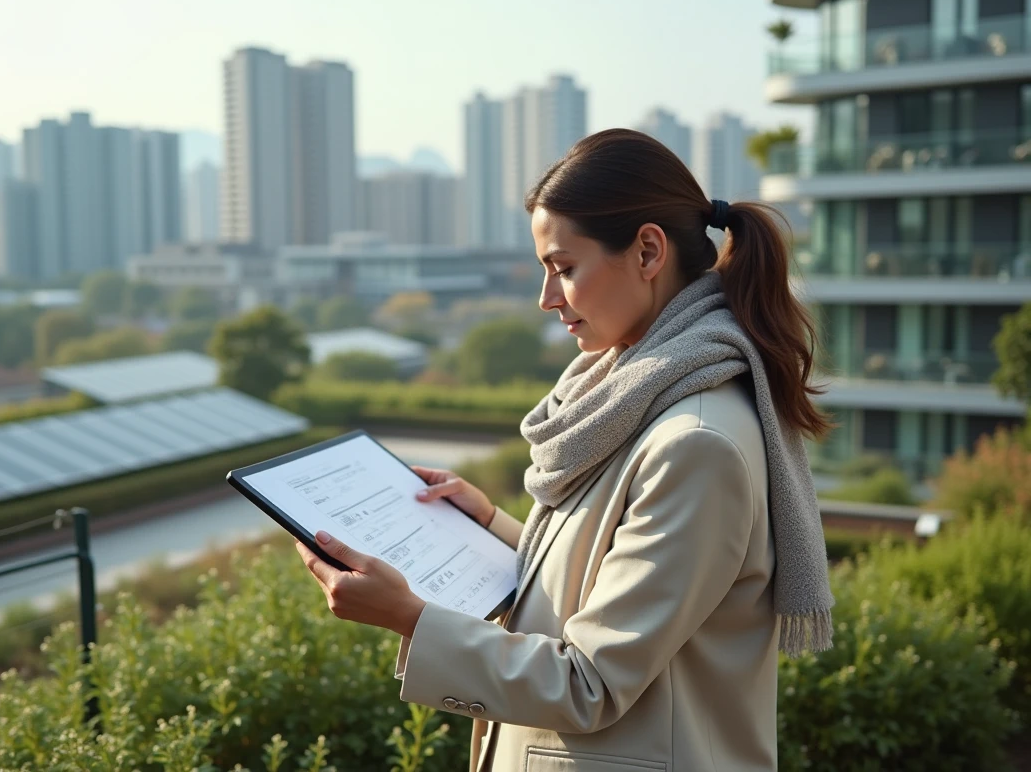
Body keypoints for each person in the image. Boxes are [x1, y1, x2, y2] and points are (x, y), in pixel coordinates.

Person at [294, 128, 835, 772]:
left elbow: (590, 683)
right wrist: (491, 525)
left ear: (648, 251)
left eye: (564, 268)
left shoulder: (695, 444)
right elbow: (613, 585)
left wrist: (409, 618)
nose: (547, 299)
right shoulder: (636, 394)